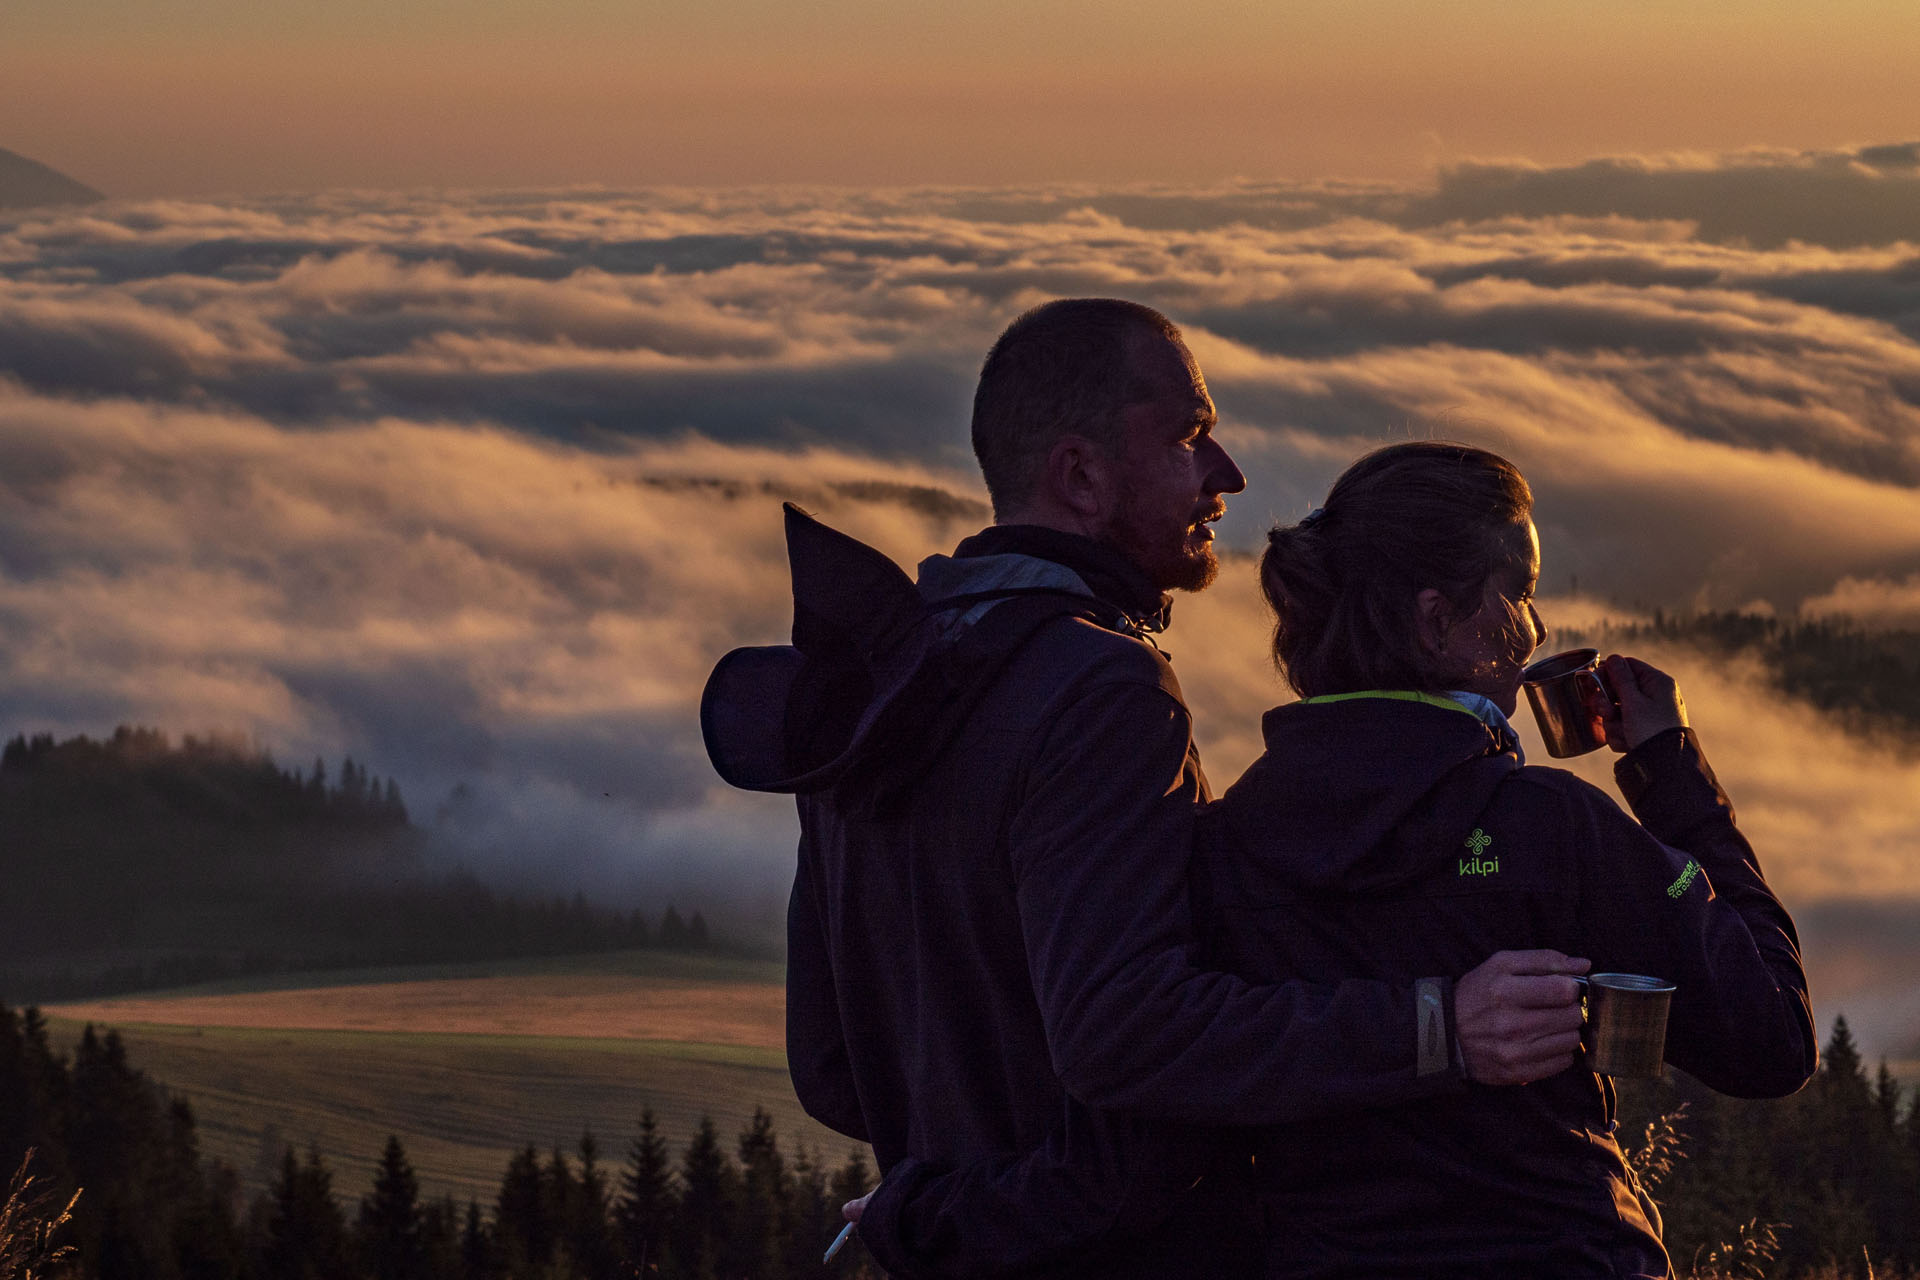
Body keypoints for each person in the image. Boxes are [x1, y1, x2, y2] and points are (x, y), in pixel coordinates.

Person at [703, 301, 1590, 1277]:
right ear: (1080, 474)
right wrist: (1443, 1024)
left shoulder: (878, 679)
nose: (1227, 474)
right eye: (1189, 436)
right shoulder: (1099, 686)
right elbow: (1126, 1035)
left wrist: (956, 1192)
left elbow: (835, 1064)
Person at [1195, 441, 1817, 1278]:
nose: (1536, 629)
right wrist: (1679, 788)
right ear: (1435, 620)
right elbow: (1773, 1038)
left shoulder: (1226, 837)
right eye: (1519, 594)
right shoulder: (1553, 828)